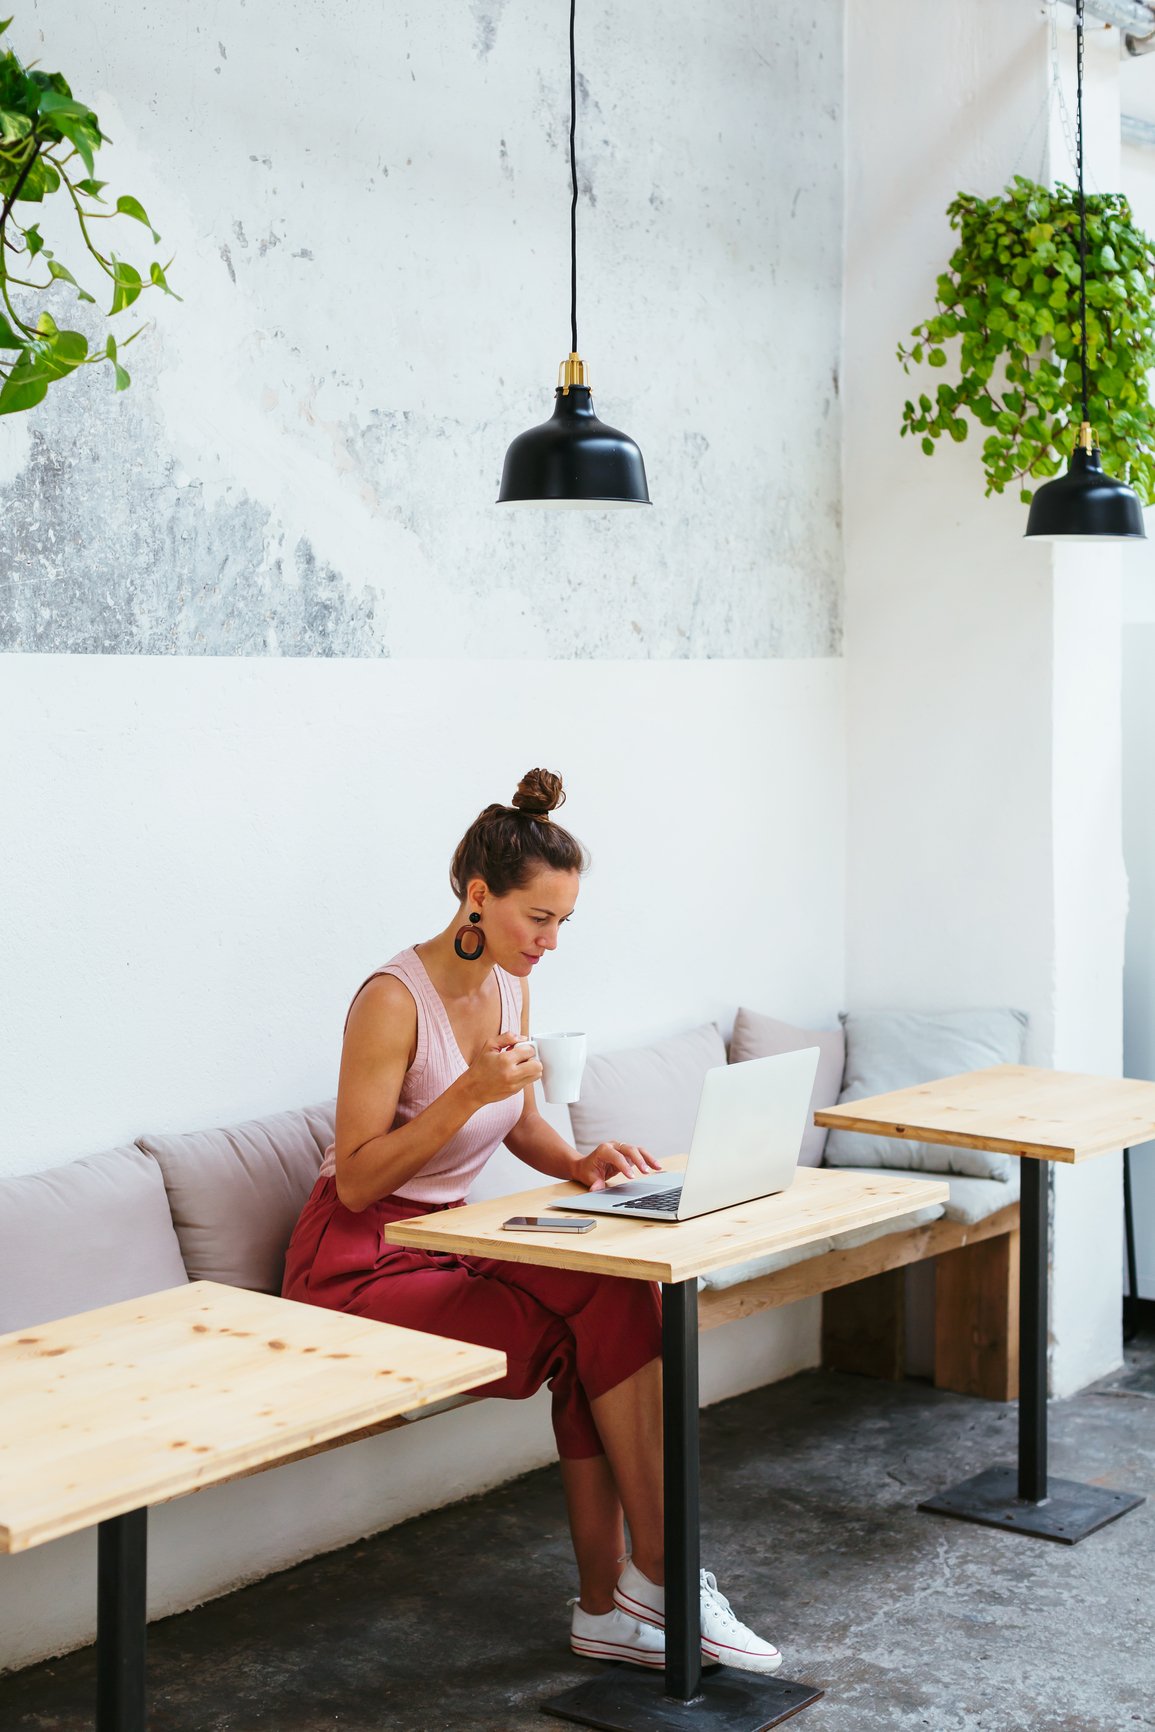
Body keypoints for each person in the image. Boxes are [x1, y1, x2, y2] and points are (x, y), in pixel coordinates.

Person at [283, 767, 781, 1674]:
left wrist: (578, 1161)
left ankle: (630, 1596)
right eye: (538, 919)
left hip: (445, 1244)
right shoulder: (392, 1001)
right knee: (584, 1328)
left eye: (563, 922)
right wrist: (466, 1090)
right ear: (479, 896)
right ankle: (653, 1582)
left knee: (615, 1296)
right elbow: (355, 1182)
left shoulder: (511, 984)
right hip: (355, 1265)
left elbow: (520, 1117)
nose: (550, 942)